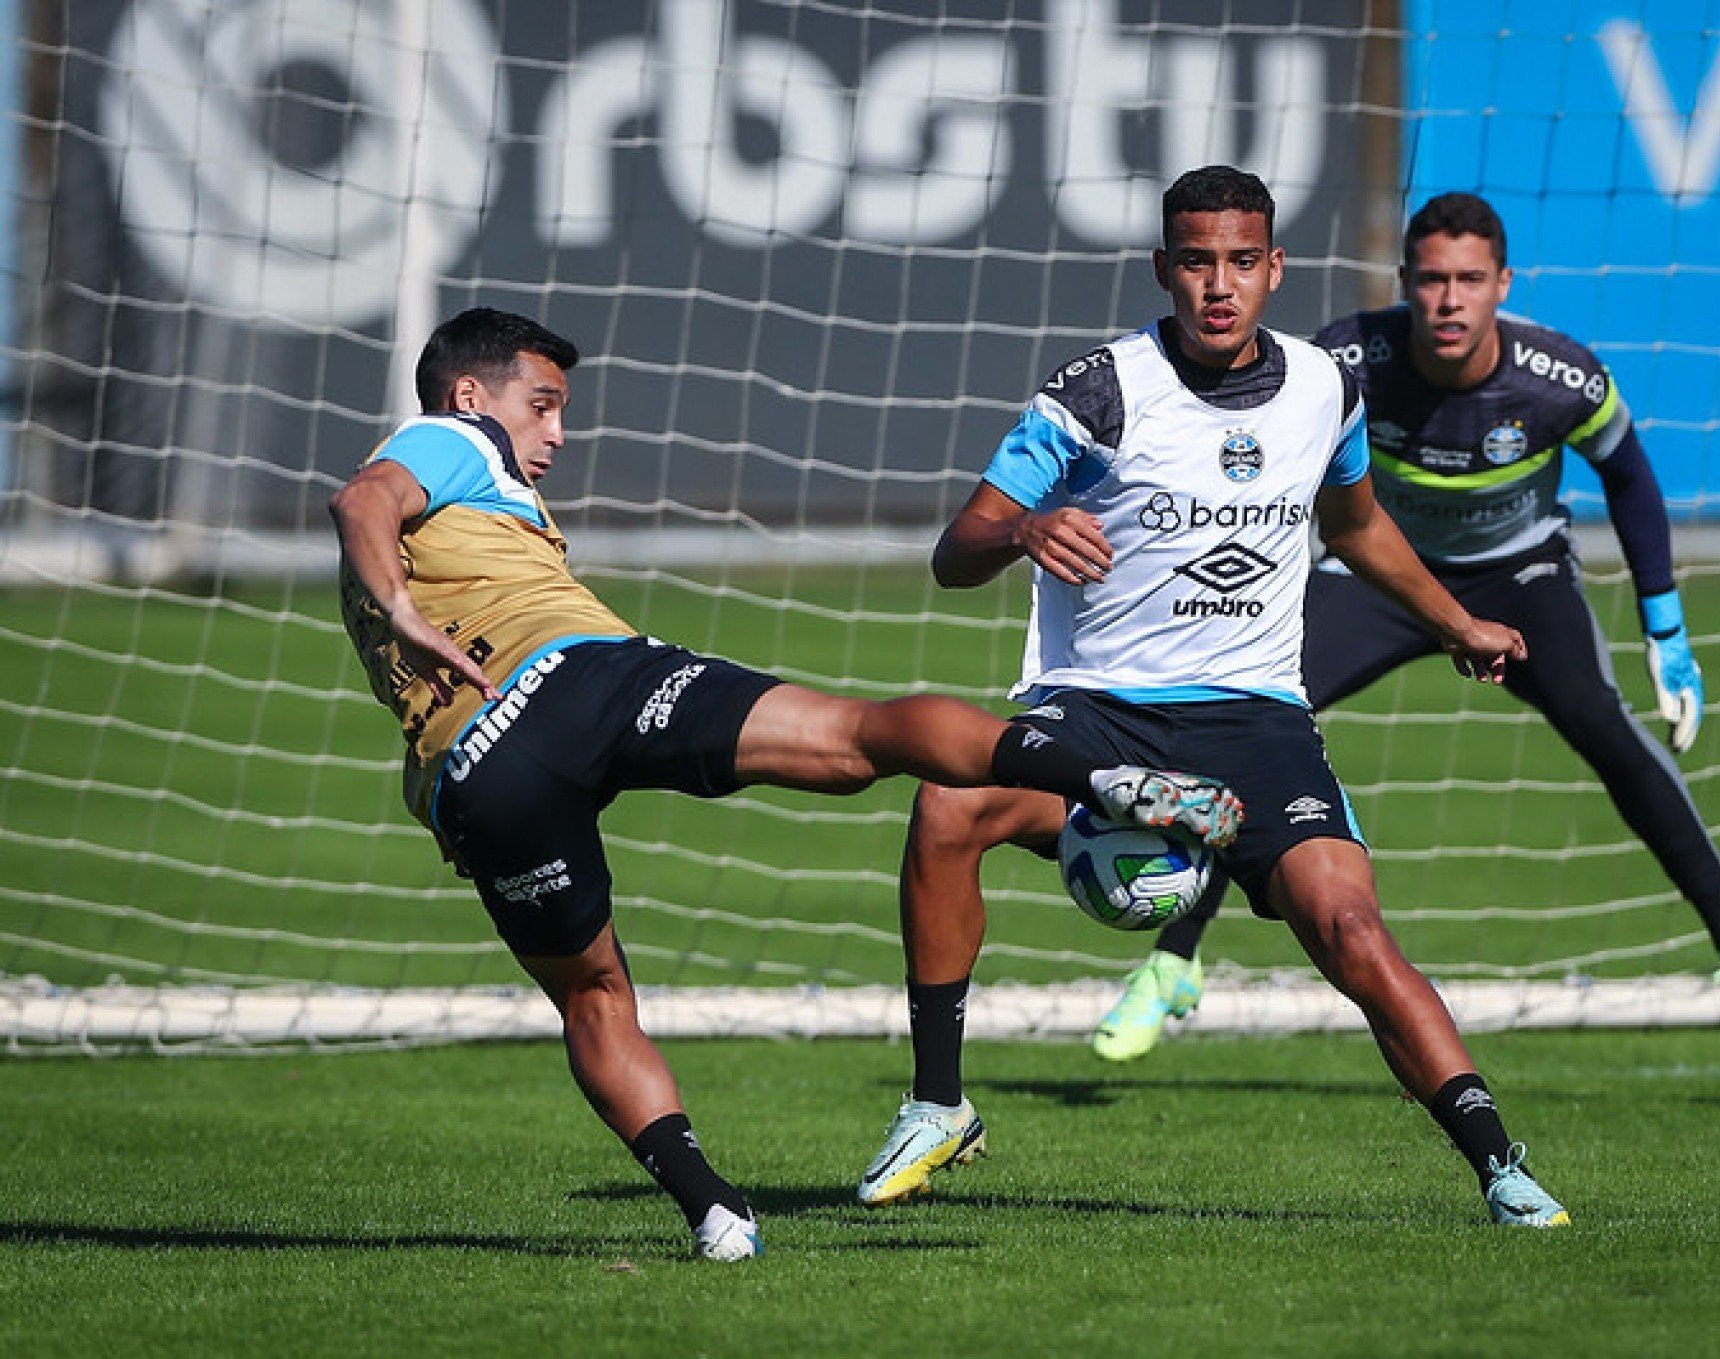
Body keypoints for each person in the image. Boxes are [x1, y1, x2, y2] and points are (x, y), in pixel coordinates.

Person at [330, 307, 1246, 1263]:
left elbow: (388, 592)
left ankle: (715, 1214)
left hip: (472, 777)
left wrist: (417, 686)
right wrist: (407, 614)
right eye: (543, 404)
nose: (557, 432)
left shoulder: (443, 519)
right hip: (580, 679)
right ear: (473, 395)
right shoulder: (450, 434)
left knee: (594, 997)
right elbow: (360, 499)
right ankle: (1098, 775)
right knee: (857, 738)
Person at [855, 167, 1570, 1228]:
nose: (1219, 285)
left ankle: (1502, 1166)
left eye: (1242, 261)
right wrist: (1021, 530)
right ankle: (937, 1103)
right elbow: (954, 551)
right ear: (1164, 269)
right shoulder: (1096, 391)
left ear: (1275, 268)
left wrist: (1454, 622)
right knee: (948, 802)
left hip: (1254, 721)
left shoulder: (1328, 387)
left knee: (1350, 930)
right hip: (1096, 709)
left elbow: (1358, 525)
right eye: (1197, 262)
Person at [1090, 191, 1720, 1068]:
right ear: (1406, 285)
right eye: (1431, 280)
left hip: (1519, 579)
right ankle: (1172, 965)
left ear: (1502, 284)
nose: (1449, 300)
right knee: (1242, 728)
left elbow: (1630, 476)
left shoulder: (1559, 377)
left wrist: (1665, 624)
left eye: (1469, 280)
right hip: (1379, 574)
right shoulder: (1349, 355)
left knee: (1606, 731)